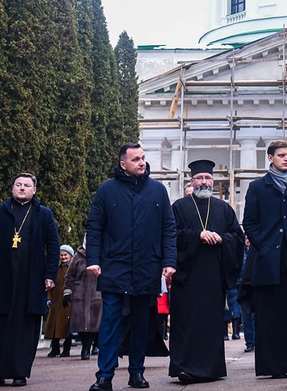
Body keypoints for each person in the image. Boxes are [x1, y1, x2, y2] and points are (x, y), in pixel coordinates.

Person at [87, 144, 177, 391]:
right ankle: (104, 375)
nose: (142, 162)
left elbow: (168, 228)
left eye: (143, 158)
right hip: (114, 265)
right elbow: (95, 227)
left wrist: (169, 261)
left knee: (141, 323)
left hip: (147, 266)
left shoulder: (158, 191)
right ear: (122, 163)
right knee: (110, 322)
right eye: (135, 159)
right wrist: (93, 259)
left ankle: (137, 372)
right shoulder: (107, 190)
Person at [0, 173, 61, 387]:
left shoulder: (43, 214)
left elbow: (53, 246)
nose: (22, 188)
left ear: (34, 190)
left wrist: (50, 275)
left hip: (30, 280)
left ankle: (20, 372)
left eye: (27, 185)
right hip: (1, 279)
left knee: (25, 329)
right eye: (18, 184)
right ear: (12, 188)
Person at [168, 160, 244, 384]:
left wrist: (223, 239)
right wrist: (197, 236)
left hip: (213, 277)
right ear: (192, 181)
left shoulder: (223, 208)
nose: (204, 182)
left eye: (208, 178)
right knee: (186, 323)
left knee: (211, 323)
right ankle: (185, 368)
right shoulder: (179, 207)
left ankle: (210, 369)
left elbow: (238, 237)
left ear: (213, 181)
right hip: (187, 277)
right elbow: (171, 235)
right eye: (200, 178)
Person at [241, 139, 287, 377]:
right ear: (270, 158)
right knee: (270, 316)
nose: (286, 159)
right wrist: (263, 246)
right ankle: (273, 366)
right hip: (268, 261)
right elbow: (249, 222)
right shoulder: (258, 187)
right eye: (281, 155)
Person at [65, 236, 103, 361]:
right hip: (79, 295)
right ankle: (84, 345)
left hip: (96, 295)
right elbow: (69, 276)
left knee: (94, 324)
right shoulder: (78, 256)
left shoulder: (102, 255)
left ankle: (87, 347)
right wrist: (67, 292)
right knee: (80, 324)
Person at [45, 245, 75, 357]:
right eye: (61, 255)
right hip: (55, 301)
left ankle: (66, 350)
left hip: (67, 302)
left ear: (70, 256)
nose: (63, 257)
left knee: (66, 328)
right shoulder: (55, 269)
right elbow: (50, 285)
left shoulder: (71, 269)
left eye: (65, 255)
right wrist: (48, 298)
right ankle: (55, 349)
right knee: (53, 327)